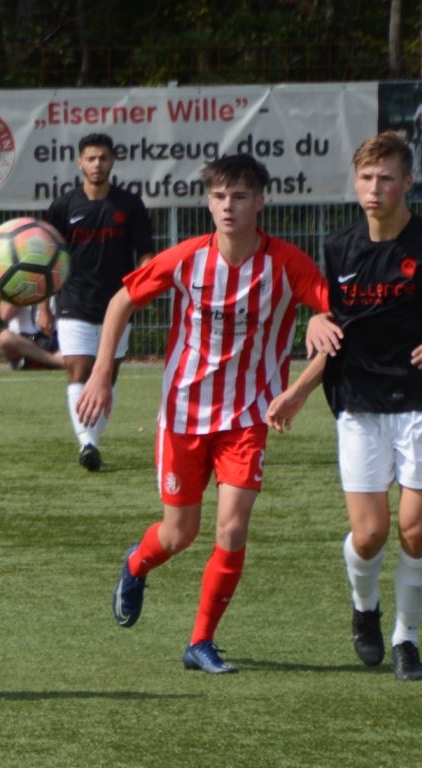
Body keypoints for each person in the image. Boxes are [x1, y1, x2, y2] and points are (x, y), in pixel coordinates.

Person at [79, 154, 330, 674]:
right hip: (183, 416)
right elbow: (121, 300)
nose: (228, 206)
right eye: (219, 196)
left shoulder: (286, 263)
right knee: (179, 535)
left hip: (248, 417)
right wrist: (102, 372)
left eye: (239, 196)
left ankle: (201, 642)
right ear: (208, 202)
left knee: (232, 531)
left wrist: (309, 360)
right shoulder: (189, 258)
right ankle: (136, 563)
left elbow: (332, 316)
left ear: (260, 201)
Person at [268, 131, 422, 682]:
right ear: (356, 182)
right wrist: (301, 380)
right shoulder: (340, 247)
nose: (376, 188)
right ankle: (364, 606)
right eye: (368, 178)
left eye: (388, 178)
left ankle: (407, 641)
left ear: (407, 183)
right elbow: (333, 327)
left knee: (415, 532)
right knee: (371, 533)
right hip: (358, 401)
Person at [43, 133, 155, 471]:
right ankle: (87, 444)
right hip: (73, 301)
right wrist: (41, 305)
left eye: (103, 158)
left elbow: (146, 252)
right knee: (79, 369)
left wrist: (144, 283)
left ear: (113, 161)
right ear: (79, 162)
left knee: (106, 375)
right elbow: (46, 257)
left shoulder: (129, 205)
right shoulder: (63, 207)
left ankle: (92, 440)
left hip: (118, 303)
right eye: (91, 158)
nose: (97, 164)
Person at [0, 299, 61, 371]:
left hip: (54, 338)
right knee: (5, 338)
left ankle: (55, 362)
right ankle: (58, 362)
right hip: (25, 342)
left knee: (70, 353)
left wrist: (45, 308)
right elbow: (5, 315)